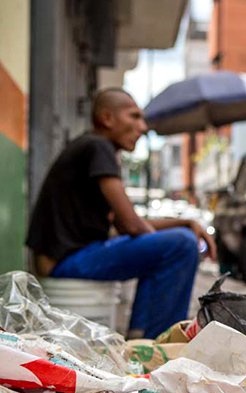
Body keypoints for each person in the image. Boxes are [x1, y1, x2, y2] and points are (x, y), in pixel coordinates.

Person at [26, 88, 217, 340]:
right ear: (107, 119)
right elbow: (132, 224)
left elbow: (127, 224)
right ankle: (161, 341)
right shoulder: (98, 147)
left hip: (68, 258)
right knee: (181, 245)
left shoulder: (91, 148)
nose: (142, 126)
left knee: (174, 241)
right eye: (134, 117)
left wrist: (184, 221)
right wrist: (167, 238)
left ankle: (142, 337)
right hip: (65, 262)